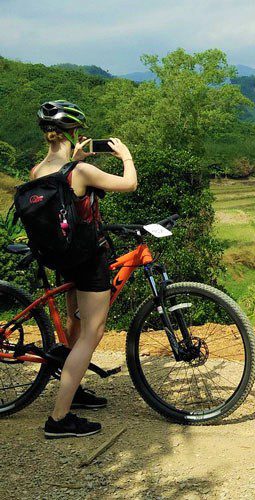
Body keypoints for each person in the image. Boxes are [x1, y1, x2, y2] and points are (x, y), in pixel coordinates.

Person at [32, 100, 138, 439]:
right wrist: (125, 156)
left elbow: (62, 194)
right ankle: (59, 419)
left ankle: (72, 390)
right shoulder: (81, 172)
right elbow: (129, 184)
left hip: (61, 259)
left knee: (74, 328)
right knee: (92, 333)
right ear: (73, 132)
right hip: (87, 259)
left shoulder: (37, 171)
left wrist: (75, 160)